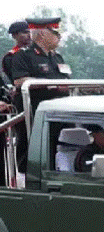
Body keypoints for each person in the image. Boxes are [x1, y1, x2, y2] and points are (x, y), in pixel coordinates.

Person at [10, 17, 71, 173]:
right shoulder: (22, 56)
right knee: (31, 146)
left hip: (58, 111)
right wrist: (47, 83)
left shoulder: (57, 57)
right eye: (55, 33)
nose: (59, 37)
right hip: (34, 112)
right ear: (42, 34)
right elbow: (19, 80)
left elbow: (66, 80)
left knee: (56, 146)